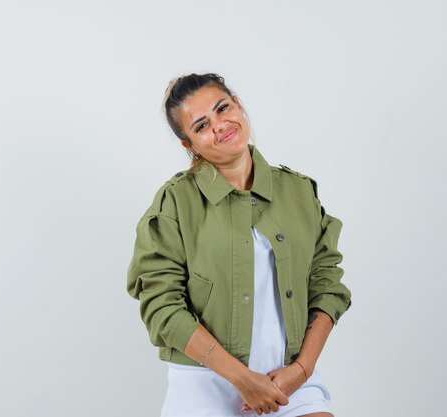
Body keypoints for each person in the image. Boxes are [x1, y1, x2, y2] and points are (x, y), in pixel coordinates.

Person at [126, 73, 352, 417]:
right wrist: (242, 378)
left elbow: (327, 285)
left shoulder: (298, 192)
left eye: (223, 108)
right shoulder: (175, 204)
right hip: (204, 385)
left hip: (289, 381)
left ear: (239, 106)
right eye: (201, 125)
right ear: (190, 145)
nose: (219, 125)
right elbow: (162, 306)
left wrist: (302, 370)